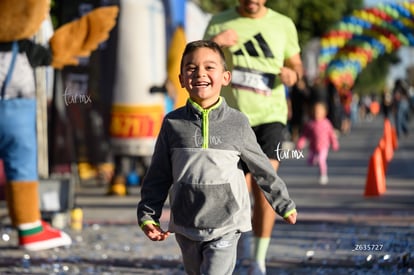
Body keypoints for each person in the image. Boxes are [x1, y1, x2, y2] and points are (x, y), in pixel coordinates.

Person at [136, 40, 297, 275]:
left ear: (225, 77)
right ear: (181, 79)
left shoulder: (237, 123)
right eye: (191, 68)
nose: (200, 73)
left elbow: (262, 168)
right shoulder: (173, 123)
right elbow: (158, 174)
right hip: (186, 222)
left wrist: (283, 203)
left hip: (227, 222)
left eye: (209, 67)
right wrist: (148, 215)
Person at [203, 1, 303, 273]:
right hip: (231, 117)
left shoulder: (282, 24)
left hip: (271, 116)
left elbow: (296, 65)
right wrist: (215, 42)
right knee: (236, 190)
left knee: (265, 185)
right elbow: (200, 61)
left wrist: (292, 74)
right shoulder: (220, 21)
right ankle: (240, 240)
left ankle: (258, 260)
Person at [296, 101, 339, 184]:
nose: (317, 114)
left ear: (324, 113)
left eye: (319, 112)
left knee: (321, 160)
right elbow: (305, 135)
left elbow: (331, 135)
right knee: (311, 161)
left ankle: (323, 175)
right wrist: (300, 143)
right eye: (315, 112)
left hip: (324, 146)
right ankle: (314, 161)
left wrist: (334, 143)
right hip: (313, 147)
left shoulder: (327, 123)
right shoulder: (310, 124)